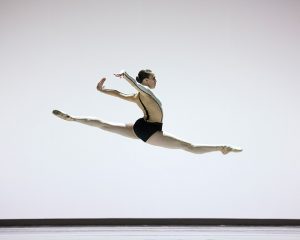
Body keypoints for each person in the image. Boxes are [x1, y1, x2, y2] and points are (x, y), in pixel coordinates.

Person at [52, 70, 242, 155]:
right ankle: (222, 148)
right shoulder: (145, 91)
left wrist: (102, 90)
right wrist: (125, 74)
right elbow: (133, 85)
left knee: (104, 125)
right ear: (146, 80)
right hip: (151, 130)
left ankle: (73, 118)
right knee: (189, 147)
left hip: (141, 126)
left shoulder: (138, 96)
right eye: (153, 77)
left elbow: (118, 94)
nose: (155, 79)